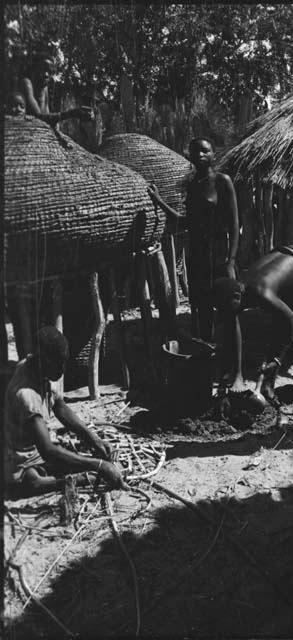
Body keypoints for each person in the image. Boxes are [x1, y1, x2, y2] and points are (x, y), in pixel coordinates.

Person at [4, 326, 128, 497]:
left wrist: (94, 439)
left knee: (72, 459)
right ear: (43, 360)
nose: (62, 369)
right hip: (20, 461)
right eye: (58, 363)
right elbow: (47, 450)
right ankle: (78, 479)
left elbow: (60, 407)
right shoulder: (27, 396)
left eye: (64, 362)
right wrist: (98, 466)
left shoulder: (35, 367)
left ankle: (84, 474)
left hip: (35, 451)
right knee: (33, 480)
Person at [212, 245, 293, 420]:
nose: (228, 314)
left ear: (237, 297)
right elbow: (231, 335)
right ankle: (267, 387)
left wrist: (277, 359)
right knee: (278, 327)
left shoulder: (260, 292)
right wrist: (227, 383)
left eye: (228, 309)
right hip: (289, 260)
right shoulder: (235, 292)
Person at [147, 137, 240, 340]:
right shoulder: (192, 186)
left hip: (219, 254)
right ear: (189, 156)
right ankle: (207, 354)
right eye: (195, 151)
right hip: (197, 255)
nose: (200, 155)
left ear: (214, 154)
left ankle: (233, 364)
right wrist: (159, 201)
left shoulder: (223, 181)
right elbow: (185, 222)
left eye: (205, 151)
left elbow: (234, 225)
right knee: (202, 307)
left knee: (228, 308)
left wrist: (231, 261)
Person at [19, 52, 92, 126]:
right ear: (35, 68)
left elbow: (46, 117)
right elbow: (38, 117)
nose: (46, 75)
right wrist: (72, 113)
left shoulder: (45, 89)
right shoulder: (26, 83)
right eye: (43, 69)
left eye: (49, 72)